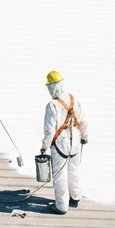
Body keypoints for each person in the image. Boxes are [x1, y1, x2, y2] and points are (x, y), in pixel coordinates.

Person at [40, 71, 88, 214]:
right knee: (73, 169)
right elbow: (84, 121)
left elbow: (49, 130)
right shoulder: (73, 99)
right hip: (75, 141)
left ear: (51, 87)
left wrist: (45, 146)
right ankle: (75, 197)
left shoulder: (52, 105)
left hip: (60, 143)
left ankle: (61, 205)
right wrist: (85, 136)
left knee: (59, 174)